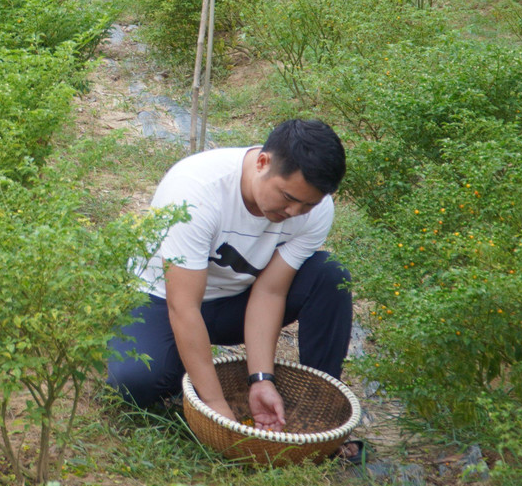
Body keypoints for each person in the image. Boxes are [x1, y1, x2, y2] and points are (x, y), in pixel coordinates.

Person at [107, 119, 351, 431]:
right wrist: (216, 405)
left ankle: (320, 407)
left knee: (329, 276)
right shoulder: (195, 191)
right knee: (131, 383)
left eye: (307, 205)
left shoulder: (315, 210)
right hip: (163, 299)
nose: (294, 213)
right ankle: (190, 371)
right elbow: (183, 307)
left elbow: (270, 292)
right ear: (263, 163)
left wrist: (261, 379)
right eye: (288, 198)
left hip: (238, 299)